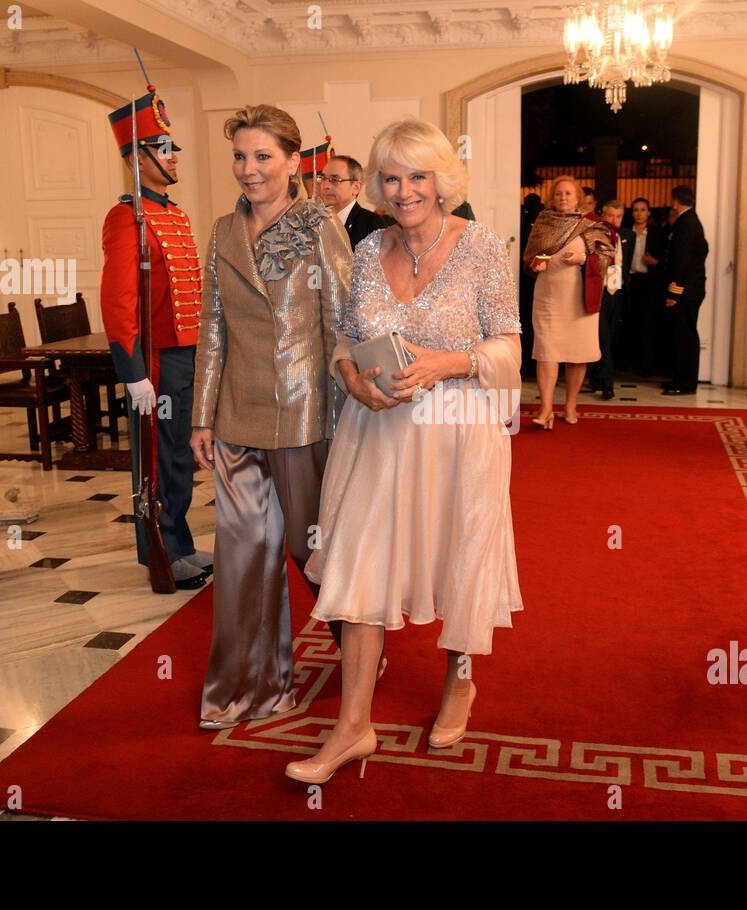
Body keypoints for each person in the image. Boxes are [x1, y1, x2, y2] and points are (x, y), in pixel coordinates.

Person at [286, 118, 524, 783]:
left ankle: (461, 679)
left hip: (458, 430)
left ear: (442, 179)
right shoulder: (367, 251)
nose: (404, 189)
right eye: (391, 177)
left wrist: (447, 363)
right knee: (362, 562)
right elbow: (340, 339)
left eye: (417, 175)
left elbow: (510, 345)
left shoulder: (480, 247)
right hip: (377, 435)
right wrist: (353, 380)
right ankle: (352, 727)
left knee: (459, 557)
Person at [190, 104, 351, 729]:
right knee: (243, 554)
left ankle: (359, 652)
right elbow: (211, 329)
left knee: (315, 549)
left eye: (263, 157)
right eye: (240, 156)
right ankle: (249, 688)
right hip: (236, 415)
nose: (249, 170)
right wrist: (201, 417)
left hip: (306, 414)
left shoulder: (318, 226)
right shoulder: (221, 232)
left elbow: (340, 326)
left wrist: (348, 420)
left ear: (292, 160)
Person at [100, 81, 208, 590]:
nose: (174, 159)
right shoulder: (127, 218)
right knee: (158, 455)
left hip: (188, 355)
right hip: (158, 360)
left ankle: (180, 539)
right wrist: (133, 372)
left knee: (181, 452)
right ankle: (160, 550)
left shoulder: (174, 214)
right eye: (164, 150)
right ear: (139, 158)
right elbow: (119, 301)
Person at [524, 175, 616, 428]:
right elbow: (530, 257)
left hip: (580, 298)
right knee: (546, 351)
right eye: (558, 194)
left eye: (568, 194)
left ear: (578, 198)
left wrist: (585, 257)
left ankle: (571, 404)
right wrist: (535, 262)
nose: (562, 198)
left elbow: (608, 255)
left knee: (577, 353)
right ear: (552, 198)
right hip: (548, 297)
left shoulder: (592, 225)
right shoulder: (543, 222)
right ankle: (545, 410)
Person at [661, 185, 709, 395]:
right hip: (691, 289)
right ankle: (680, 378)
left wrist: (673, 293)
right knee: (683, 335)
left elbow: (681, 261)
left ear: (675, 202)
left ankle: (685, 383)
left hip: (686, 291)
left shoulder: (685, 224)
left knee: (685, 336)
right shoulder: (691, 221)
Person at [618, 197, 665, 375]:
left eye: (643, 210)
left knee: (647, 324)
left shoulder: (656, 233)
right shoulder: (625, 232)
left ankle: (646, 365)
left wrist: (655, 262)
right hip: (628, 281)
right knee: (627, 322)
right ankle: (626, 362)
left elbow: (665, 261)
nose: (639, 213)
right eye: (636, 210)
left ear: (649, 212)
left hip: (648, 283)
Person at [589, 200, 626, 400]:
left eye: (619, 216)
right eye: (611, 215)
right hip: (597, 291)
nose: (614, 220)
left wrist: (615, 292)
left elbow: (617, 265)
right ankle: (606, 384)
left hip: (613, 290)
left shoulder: (618, 236)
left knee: (607, 338)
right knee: (602, 339)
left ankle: (598, 378)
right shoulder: (595, 233)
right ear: (602, 214)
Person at [318, 154, 384, 249]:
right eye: (323, 178)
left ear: (356, 188)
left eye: (335, 180)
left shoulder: (370, 224)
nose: (326, 186)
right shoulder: (315, 222)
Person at [518, 193, 544, 377]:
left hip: (535, 276)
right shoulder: (524, 217)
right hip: (529, 274)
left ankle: (529, 366)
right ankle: (527, 365)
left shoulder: (543, 220)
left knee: (529, 321)